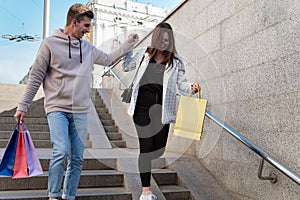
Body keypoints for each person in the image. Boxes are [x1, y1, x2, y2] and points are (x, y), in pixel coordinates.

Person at [13, 4, 138, 200]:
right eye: (86, 26)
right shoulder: (50, 44)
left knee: (77, 158)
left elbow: (108, 59)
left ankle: (68, 196)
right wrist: (23, 106)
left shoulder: (87, 48)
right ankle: (54, 195)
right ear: (74, 22)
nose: (89, 30)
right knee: (61, 151)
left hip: (80, 109)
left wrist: (127, 44)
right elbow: (36, 77)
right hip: (57, 108)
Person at [122, 22, 199, 200]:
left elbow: (182, 84)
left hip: (162, 110)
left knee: (159, 149)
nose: (164, 43)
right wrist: (128, 46)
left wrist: (191, 88)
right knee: (146, 147)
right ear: (156, 38)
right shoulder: (144, 54)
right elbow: (126, 66)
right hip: (141, 108)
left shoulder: (176, 60)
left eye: (167, 40)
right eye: (161, 39)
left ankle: (146, 188)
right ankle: (145, 192)